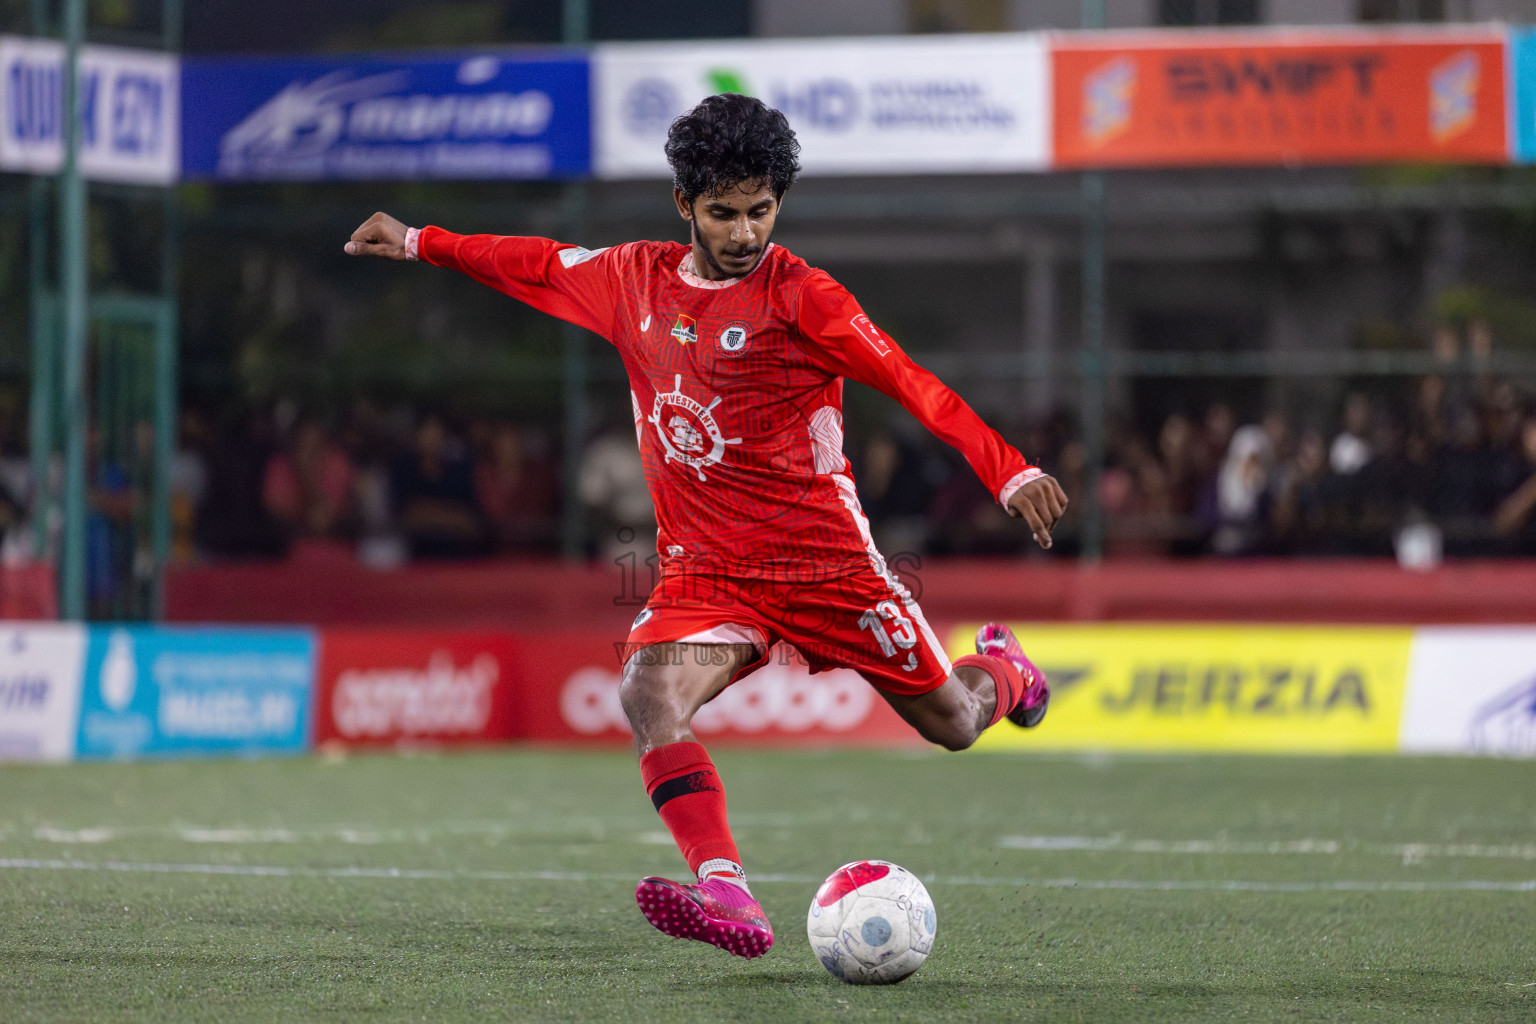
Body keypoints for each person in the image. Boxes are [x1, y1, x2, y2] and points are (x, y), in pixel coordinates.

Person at [345, 93, 1068, 960]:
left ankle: (1006, 671)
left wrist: (1008, 467)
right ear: (683, 204)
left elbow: (913, 382)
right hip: (709, 572)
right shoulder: (628, 280)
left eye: (760, 210)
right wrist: (424, 242)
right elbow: (532, 262)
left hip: (826, 566)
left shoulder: (806, 298)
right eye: (723, 212)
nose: (743, 232)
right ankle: (728, 893)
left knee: (953, 721)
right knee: (649, 692)